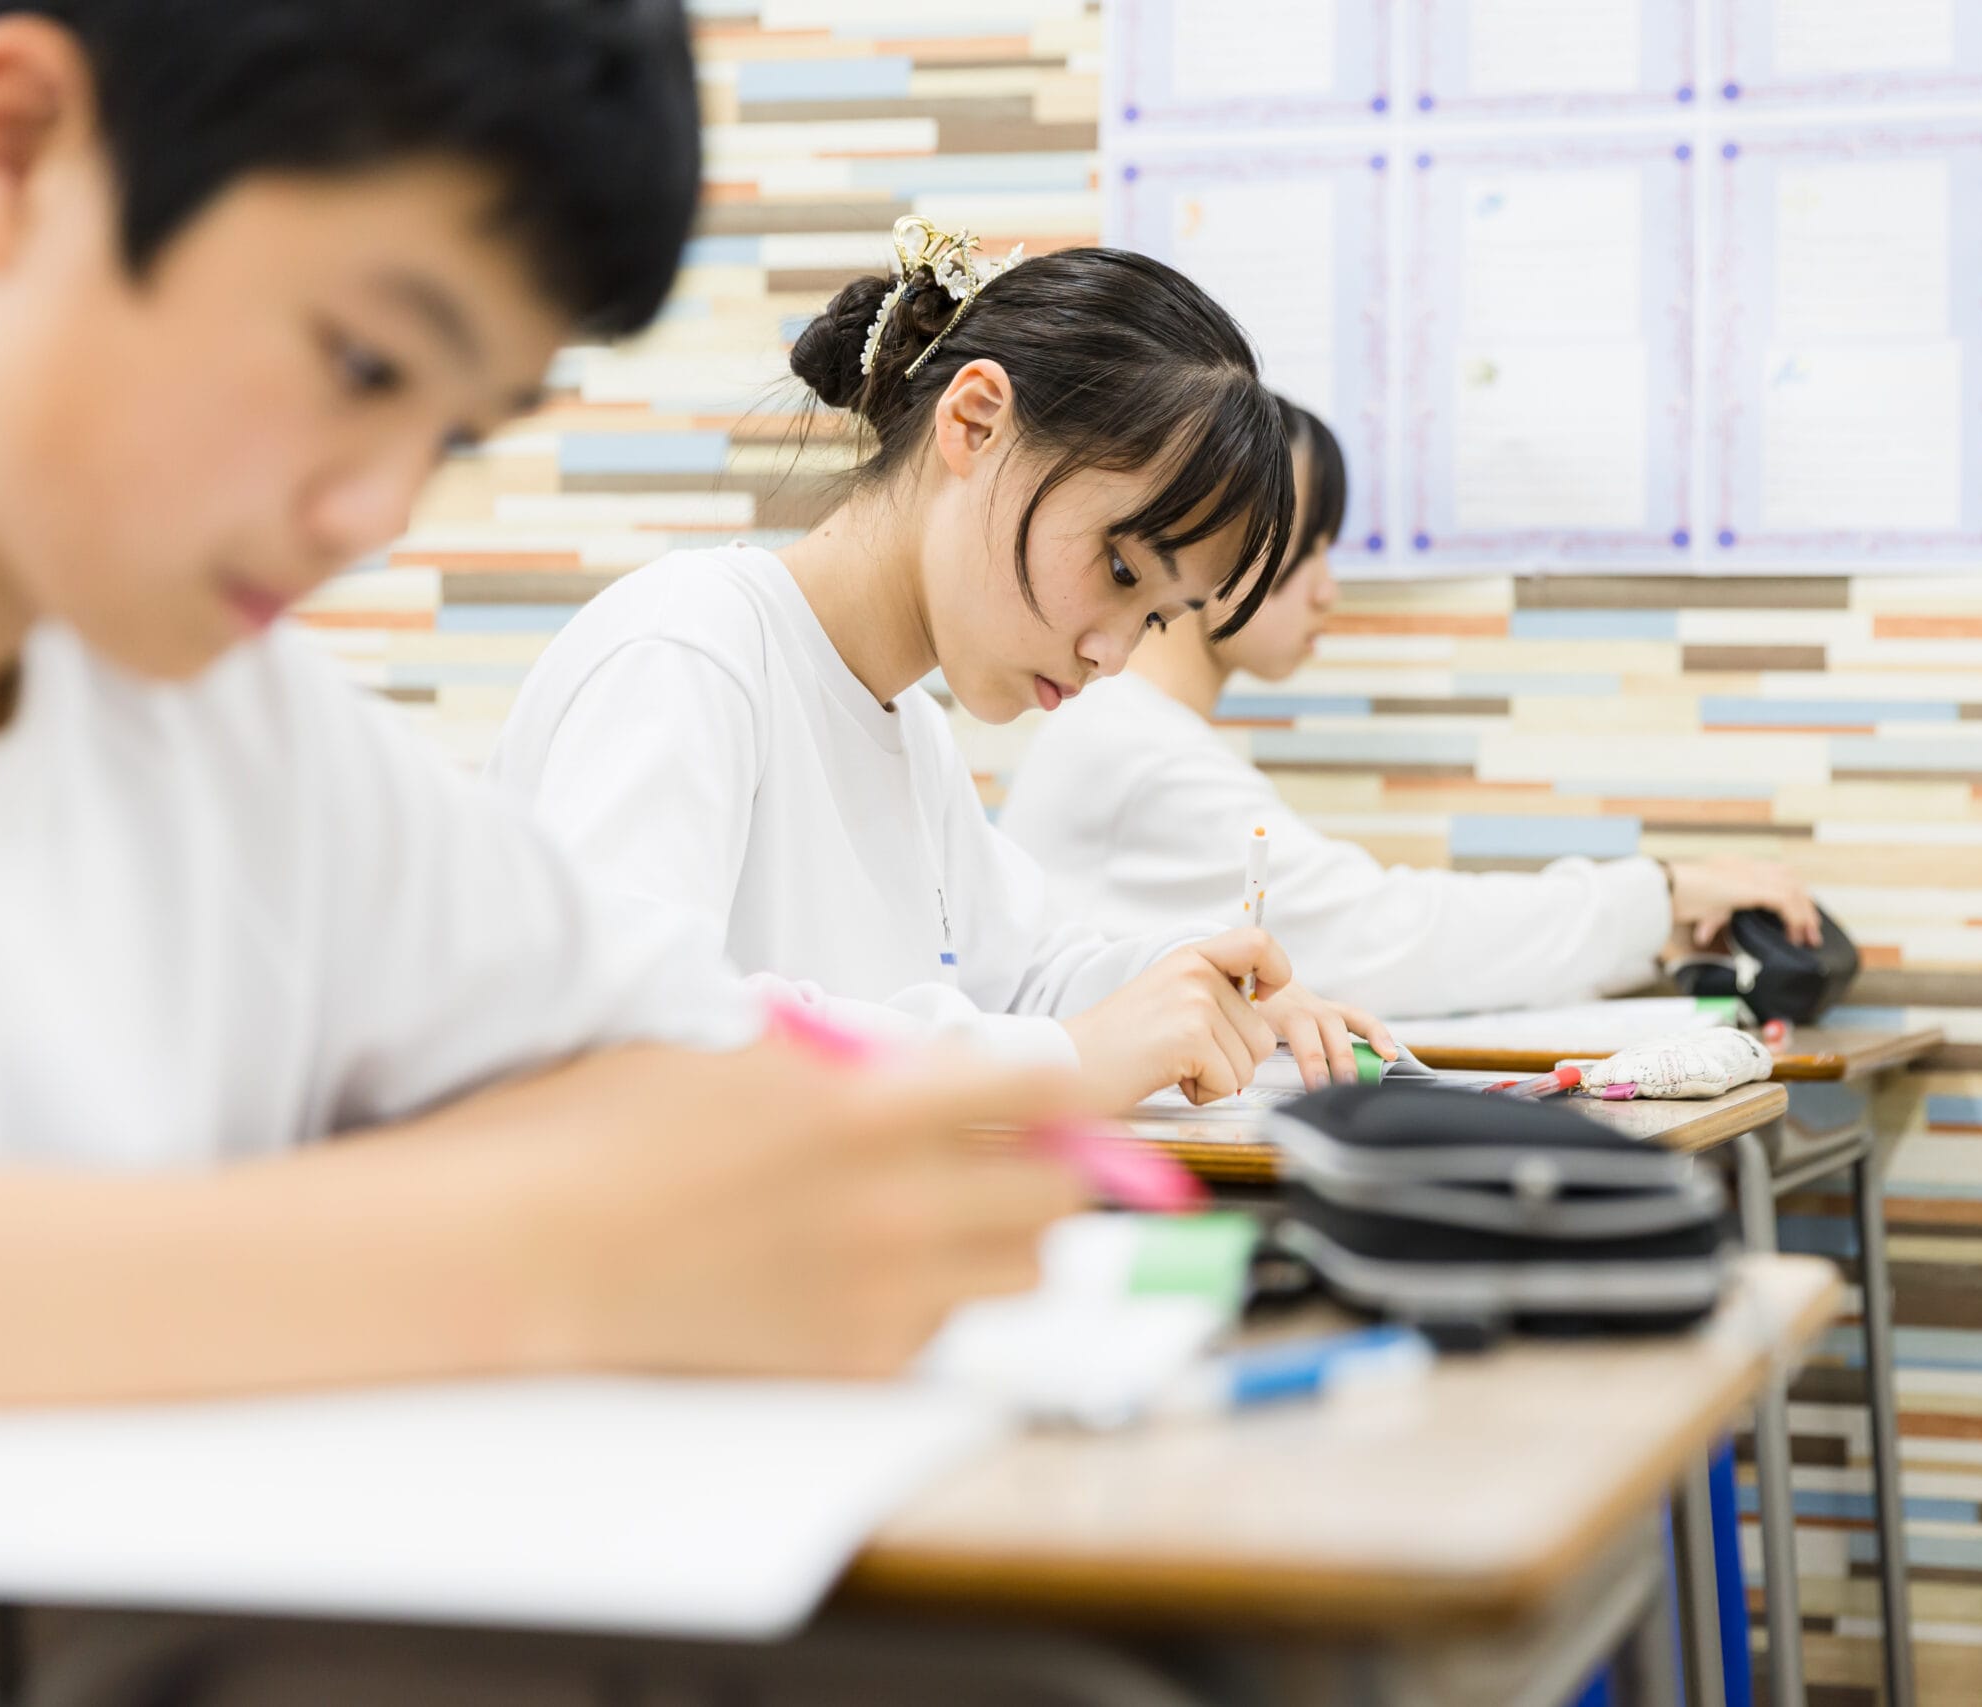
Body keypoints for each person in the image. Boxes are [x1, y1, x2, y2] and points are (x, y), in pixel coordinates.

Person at [0, 0, 1084, 1416]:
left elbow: (667, 1047)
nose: (376, 515)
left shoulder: (243, 729)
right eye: (363, 364)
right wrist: (539, 1257)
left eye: (449, 433)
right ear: (13, 151)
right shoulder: (680, 645)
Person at [488, 222, 1396, 1105]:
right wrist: (1066, 1058)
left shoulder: (911, 731)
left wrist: (1196, 989)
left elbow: (1024, 980)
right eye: (1120, 569)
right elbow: (633, 1034)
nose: (1111, 654)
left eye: (1155, 617)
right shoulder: (690, 650)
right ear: (975, 422)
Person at [1001, 402, 1822, 1020]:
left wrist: (1656, 918)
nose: (1329, 589)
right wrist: (1661, 893)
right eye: (1305, 547)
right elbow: (1381, 940)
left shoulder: (1143, 730)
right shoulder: (1132, 745)